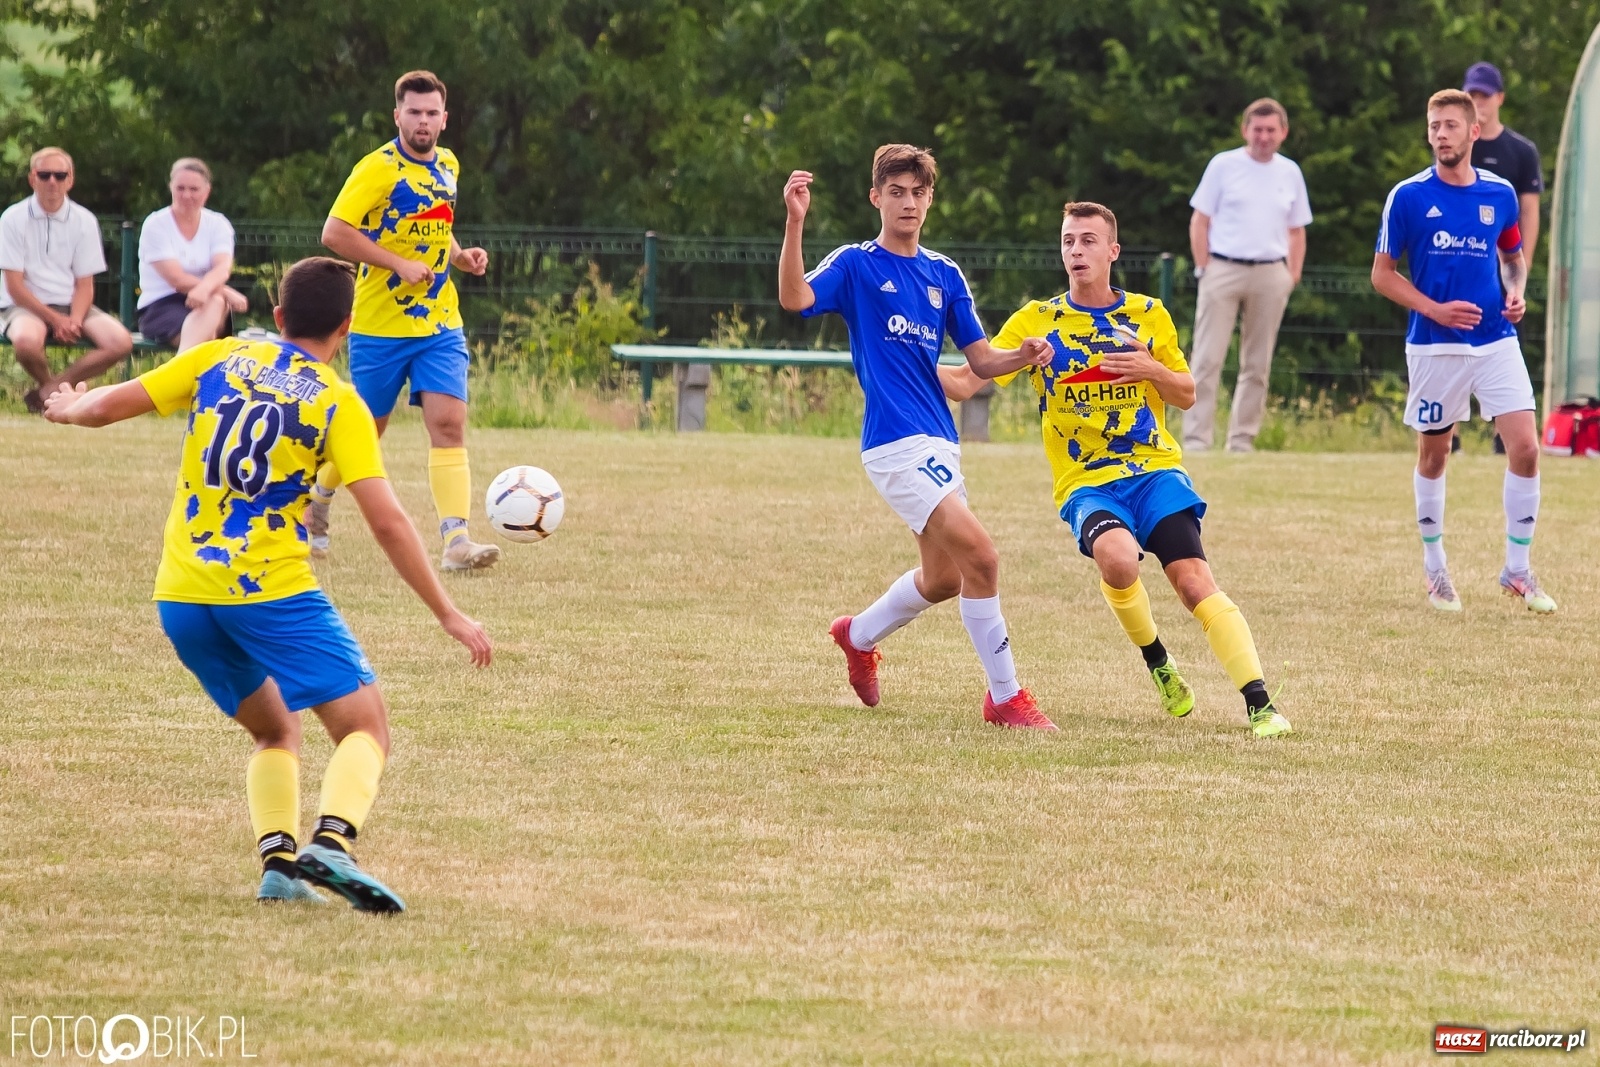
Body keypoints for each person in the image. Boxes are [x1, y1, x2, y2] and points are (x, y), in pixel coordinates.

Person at [42, 257, 493, 911]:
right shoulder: (338, 402)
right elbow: (389, 520)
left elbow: (113, 404)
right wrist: (448, 612)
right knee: (366, 725)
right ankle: (333, 843)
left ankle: (280, 867)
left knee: (276, 729)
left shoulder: (218, 359)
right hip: (271, 589)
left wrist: (67, 406)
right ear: (348, 324)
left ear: (278, 317)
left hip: (184, 594)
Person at [941, 203, 1294, 739]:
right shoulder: (1038, 320)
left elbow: (1187, 393)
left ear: (1113, 251)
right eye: (1067, 242)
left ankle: (1261, 704)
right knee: (1118, 560)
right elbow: (969, 380)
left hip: (1154, 472)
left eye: (1087, 241)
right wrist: (898, 360)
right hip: (1086, 482)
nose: (1076, 251)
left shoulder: (1148, 314)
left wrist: (1152, 368)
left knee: (1195, 583)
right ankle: (1157, 661)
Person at [778, 145, 1057, 730]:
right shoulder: (856, 265)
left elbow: (978, 363)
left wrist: (1022, 355)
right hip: (895, 446)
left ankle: (856, 636)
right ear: (876, 197)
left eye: (918, 193)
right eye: (897, 192)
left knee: (946, 578)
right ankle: (1005, 698)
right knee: (982, 556)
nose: (908, 203)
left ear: (930, 199)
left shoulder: (944, 274)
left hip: (940, 444)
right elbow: (795, 298)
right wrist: (795, 221)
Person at [1371, 89, 1553, 614]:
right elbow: (1382, 276)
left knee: (1527, 449)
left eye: (1451, 125)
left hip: (1496, 339)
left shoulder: (1500, 194)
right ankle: (1436, 571)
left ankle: (1517, 570)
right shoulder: (1406, 196)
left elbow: (1512, 257)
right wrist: (1436, 309)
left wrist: (1515, 291)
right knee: (1435, 454)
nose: (1441, 135)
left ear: (1475, 132)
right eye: (1434, 126)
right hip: (1435, 347)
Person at [312, 70, 497, 572]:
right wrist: (395, 263)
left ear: (444, 117)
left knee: (449, 424)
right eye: (413, 112)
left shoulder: (449, 164)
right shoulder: (377, 168)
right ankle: (317, 500)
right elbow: (334, 232)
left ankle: (456, 540)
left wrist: (457, 258)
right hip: (379, 324)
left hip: (439, 323)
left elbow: (436, 222)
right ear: (397, 116)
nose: (423, 121)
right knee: (366, 431)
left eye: (431, 112)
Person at [1184, 99, 1313, 453]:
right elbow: (1200, 220)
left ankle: (1242, 441)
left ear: (1283, 133)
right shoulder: (1223, 166)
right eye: (1258, 129)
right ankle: (1197, 440)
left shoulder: (1290, 173)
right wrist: (1203, 267)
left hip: (1271, 272)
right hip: (1222, 268)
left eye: (1271, 130)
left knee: (1257, 364)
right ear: (1245, 130)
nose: (1264, 137)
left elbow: (1297, 230)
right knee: (1207, 359)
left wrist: (1292, 275)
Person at [0, 147, 133, 412]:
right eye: (45, 174)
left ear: (70, 180)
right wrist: (56, 320)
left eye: (60, 175)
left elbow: (85, 284)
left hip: (70, 304)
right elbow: (15, 287)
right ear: (32, 179)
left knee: (121, 341)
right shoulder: (12, 219)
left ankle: (50, 391)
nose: (52, 181)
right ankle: (53, 390)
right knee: (26, 342)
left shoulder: (84, 220)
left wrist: (74, 318)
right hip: (25, 305)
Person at [1465, 62, 1545, 457]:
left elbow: (1529, 212)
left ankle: (1505, 435)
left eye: (1483, 95)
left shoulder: (1520, 151)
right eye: (1472, 95)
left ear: (1499, 99)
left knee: (1505, 342)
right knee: (1455, 340)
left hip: (1503, 263)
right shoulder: (1461, 145)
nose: (1477, 102)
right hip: (1464, 261)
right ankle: (1451, 434)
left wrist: (1519, 267)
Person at [136, 157, 250, 351]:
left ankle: (181, 370)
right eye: (180, 188)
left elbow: (222, 268)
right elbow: (176, 279)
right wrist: (222, 290)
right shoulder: (155, 224)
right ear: (171, 187)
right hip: (161, 305)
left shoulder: (218, 224)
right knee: (209, 343)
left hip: (208, 302)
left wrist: (207, 290)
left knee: (214, 305)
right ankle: (185, 369)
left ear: (207, 192)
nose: (186, 195)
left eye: (193, 189)